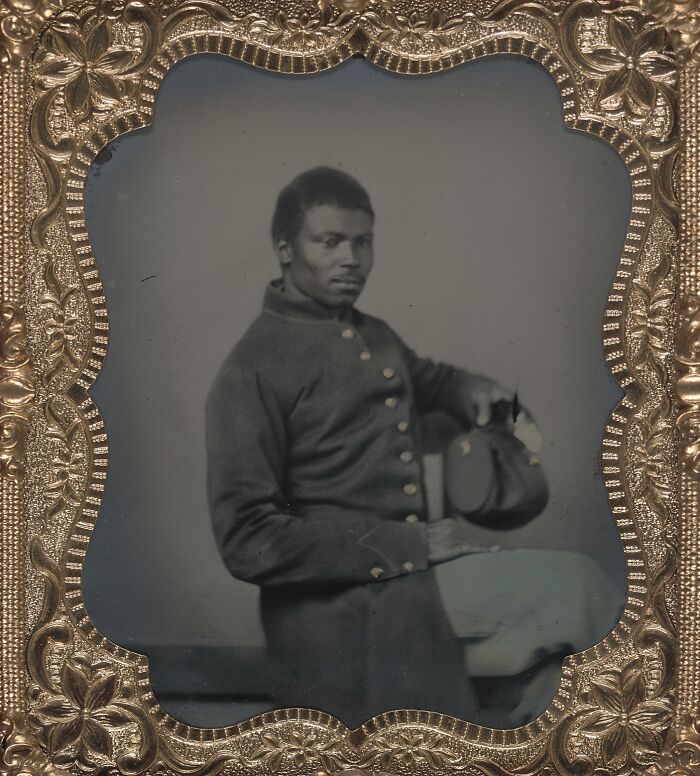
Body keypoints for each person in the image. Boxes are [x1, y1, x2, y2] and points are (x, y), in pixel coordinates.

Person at [205, 166, 531, 727]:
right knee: (580, 594)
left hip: (415, 584)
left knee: (557, 642)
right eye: (329, 242)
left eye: (362, 241)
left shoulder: (375, 333)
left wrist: (471, 389)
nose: (351, 259)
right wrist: (410, 543)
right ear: (286, 249)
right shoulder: (248, 371)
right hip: (335, 610)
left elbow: (426, 380)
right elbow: (246, 538)